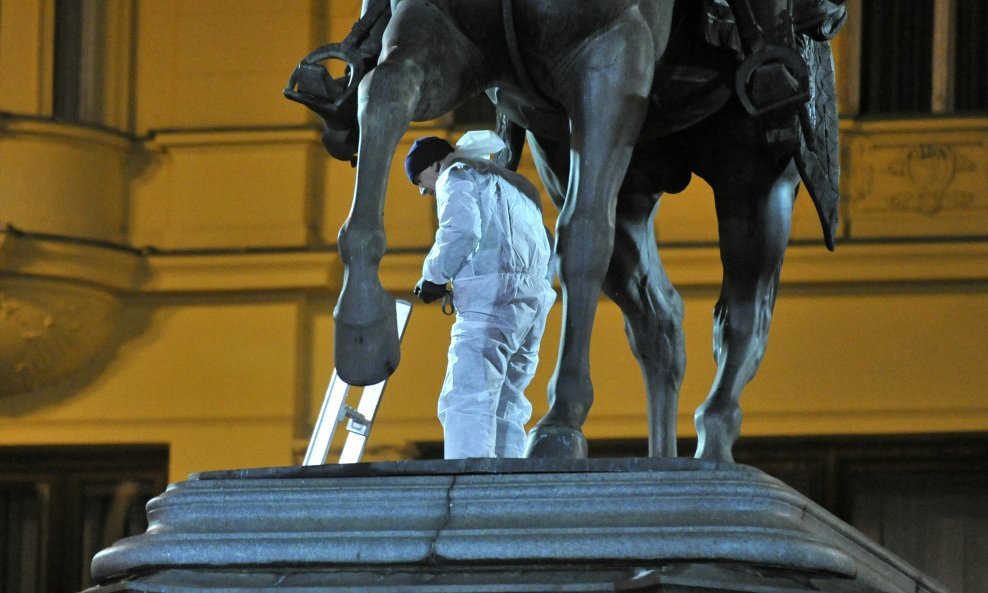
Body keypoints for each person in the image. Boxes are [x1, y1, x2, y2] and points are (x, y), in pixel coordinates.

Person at [405, 131, 556, 459]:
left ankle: (469, 484)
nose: (422, 190)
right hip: (533, 303)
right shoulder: (518, 184)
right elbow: (546, 241)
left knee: (466, 395)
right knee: (509, 400)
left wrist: (432, 277)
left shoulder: (455, 176)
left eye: (421, 179)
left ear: (435, 163)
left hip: (489, 300)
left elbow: (461, 231)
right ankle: (507, 484)